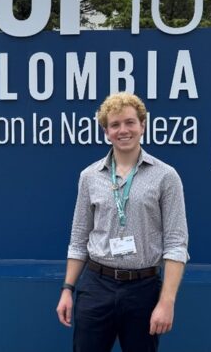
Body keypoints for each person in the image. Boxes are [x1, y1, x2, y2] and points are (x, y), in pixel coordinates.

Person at [55, 92, 189, 352]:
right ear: (106, 131)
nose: (123, 130)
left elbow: (176, 243)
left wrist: (167, 302)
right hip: (96, 285)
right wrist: (67, 289)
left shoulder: (166, 176)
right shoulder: (89, 176)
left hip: (143, 289)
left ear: (143, 125)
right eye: (115, 125)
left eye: (130, 122)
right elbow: (79, 237)